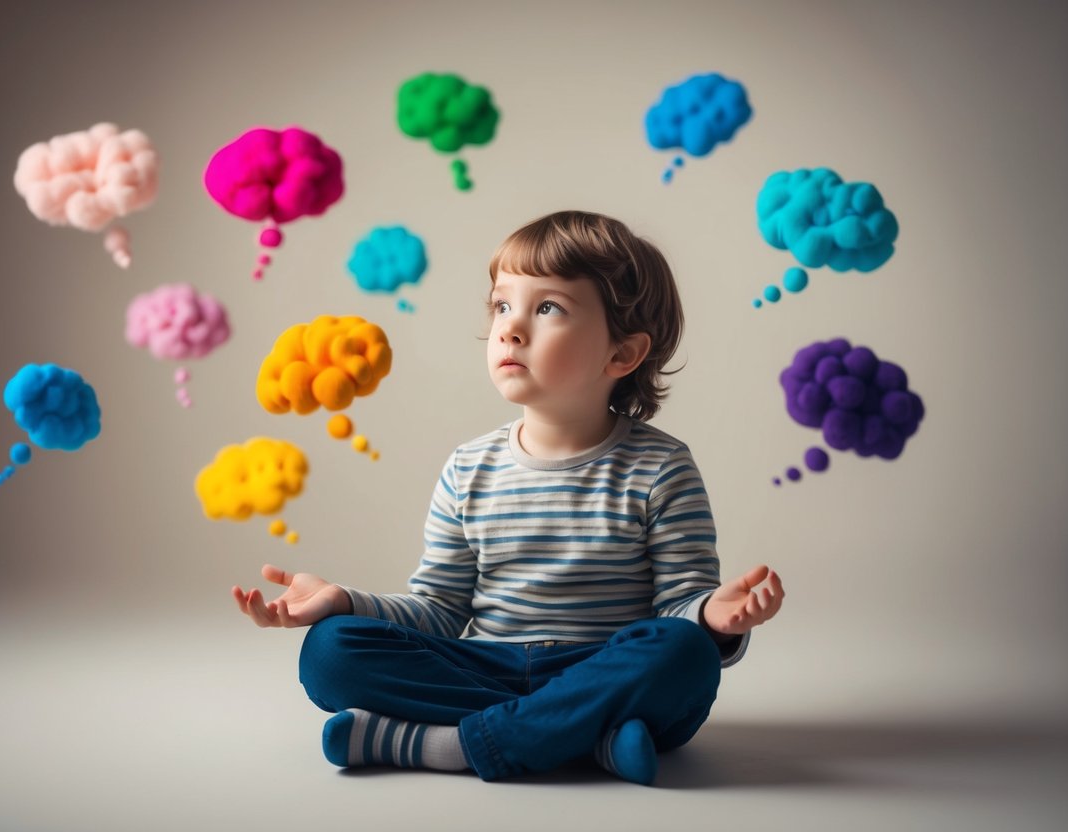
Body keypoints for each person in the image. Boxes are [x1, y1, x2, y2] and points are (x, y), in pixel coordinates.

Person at [231, 210, 784, 785]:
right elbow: (439, 612)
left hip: (600, 669)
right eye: (502, 305)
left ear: (621, 355)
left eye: (547, 308)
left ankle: (442, 745)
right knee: (331, 651)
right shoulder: (469, 467)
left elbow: (679, 611)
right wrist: (343, 601)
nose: (511, 328)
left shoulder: (662, 468)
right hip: (485, 667)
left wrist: (714, 620)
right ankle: (587, 739)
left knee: (684, 655)